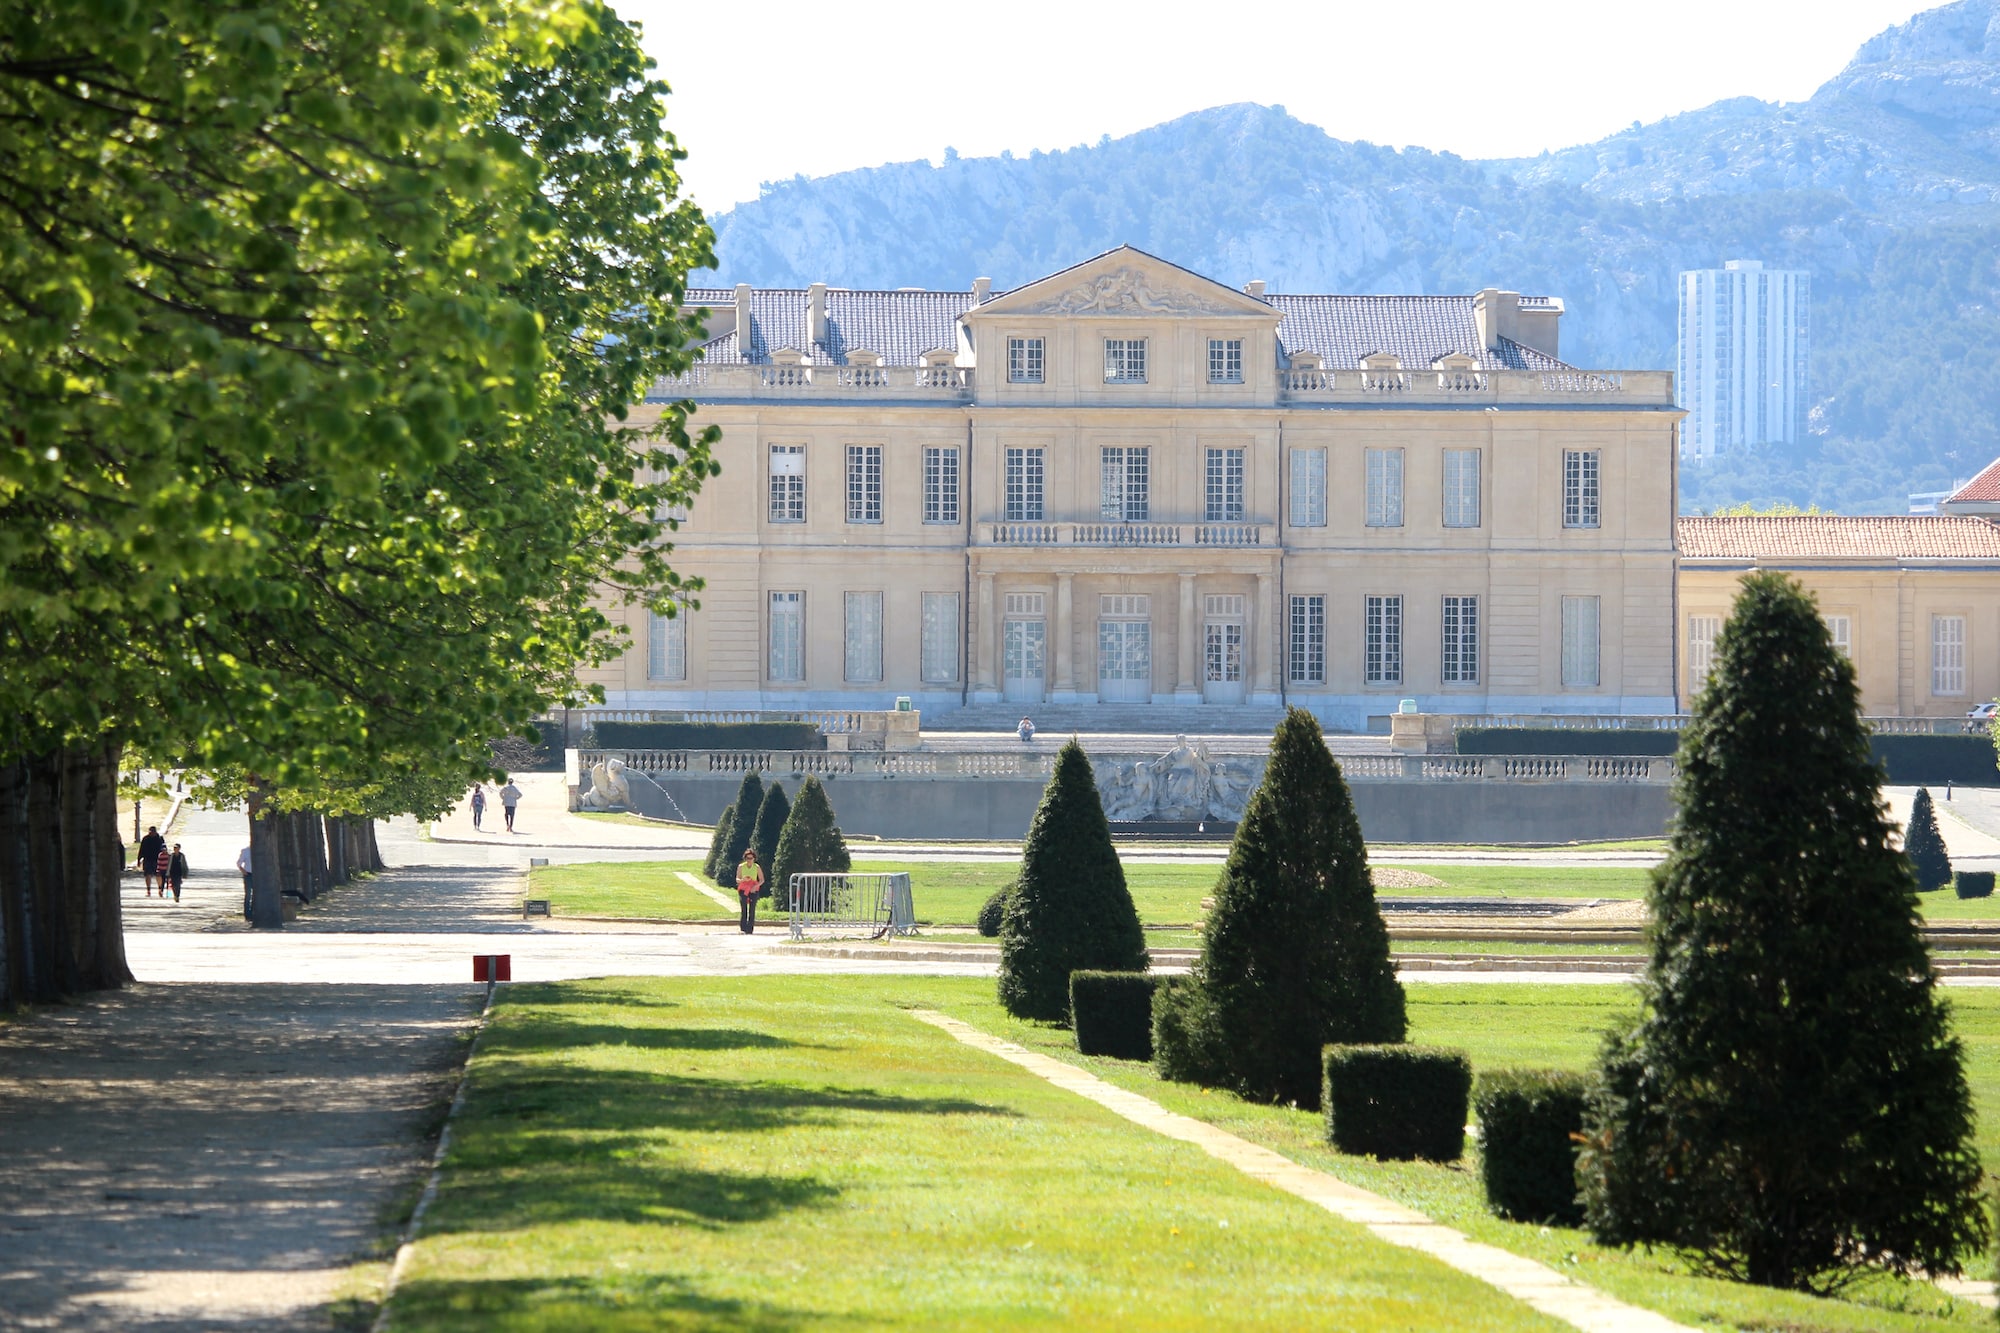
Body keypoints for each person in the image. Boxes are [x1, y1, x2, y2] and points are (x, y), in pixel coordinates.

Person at [735, 848, 765, 934]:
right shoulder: (741, 867)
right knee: (743, 908)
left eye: (751, 858)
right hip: (743, 888)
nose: (749, 860)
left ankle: (750, 929)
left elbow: (762, 880)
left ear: (754, 859)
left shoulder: (757, 867)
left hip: (753, 889)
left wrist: (756, 886)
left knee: (752, 909)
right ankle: (743, 928)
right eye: (747, 858)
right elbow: (737, 879)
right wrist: (742, 880)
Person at [138, 824, 165, 896]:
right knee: (147, 875)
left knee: (158, 875)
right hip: (147, 859)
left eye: (153, 832)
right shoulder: (145, 839)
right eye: (150, 832)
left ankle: (160, 889)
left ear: (155, 832)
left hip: (158, 859)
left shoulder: (160, 839)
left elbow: (164, 849)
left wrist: (165, 858)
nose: (151, 833)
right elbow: (141, 849)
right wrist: (139, 859)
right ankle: (148, 890)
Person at [236, 844, 253, 921]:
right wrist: (243, 871)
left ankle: (254, 912)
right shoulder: (246, 851)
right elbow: (239, 863)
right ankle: (247, 915)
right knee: (248, 895)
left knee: (257, 895)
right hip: (248, 874)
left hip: (258, 874)